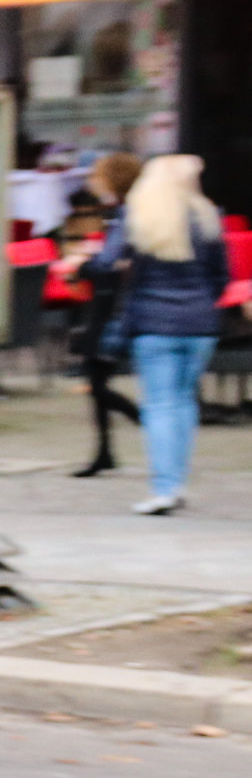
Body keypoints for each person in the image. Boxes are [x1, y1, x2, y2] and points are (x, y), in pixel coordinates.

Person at [86, 154, 230, 514]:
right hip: (199, 327)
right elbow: (221, 277)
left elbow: (106, 261)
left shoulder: (138, 216)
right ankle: (176, 482)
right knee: (182, 403)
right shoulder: (207, 217)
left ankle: (163, 489)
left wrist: (88, 264)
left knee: (161, 406)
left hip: (153, 324)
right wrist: (200, 304)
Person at [69, 152, 142, 477]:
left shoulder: (127, 214)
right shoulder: (124, 212)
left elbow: (108, 263)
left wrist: (82, 265)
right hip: (112, 299)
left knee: (97, 380)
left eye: (99, 176)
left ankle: (145, 421)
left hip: (113, 304)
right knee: (95, 376)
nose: (93, 183)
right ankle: (104, 451)